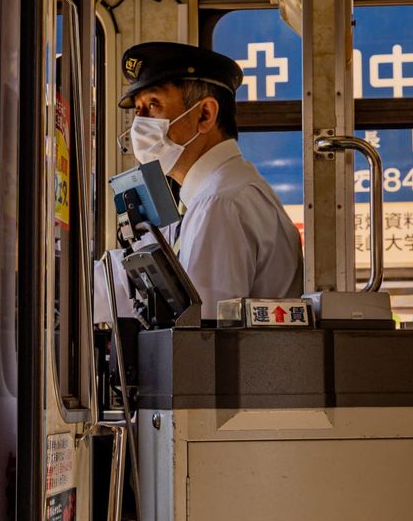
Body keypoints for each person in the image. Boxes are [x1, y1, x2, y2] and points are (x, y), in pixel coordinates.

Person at [111, 40, 302, 319]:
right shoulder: (203, 197)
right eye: (136, 110)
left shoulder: (220, 203)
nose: (139, 124)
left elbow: (204, 337)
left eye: (153, 105)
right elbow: (125, 281)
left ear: (205, 115)